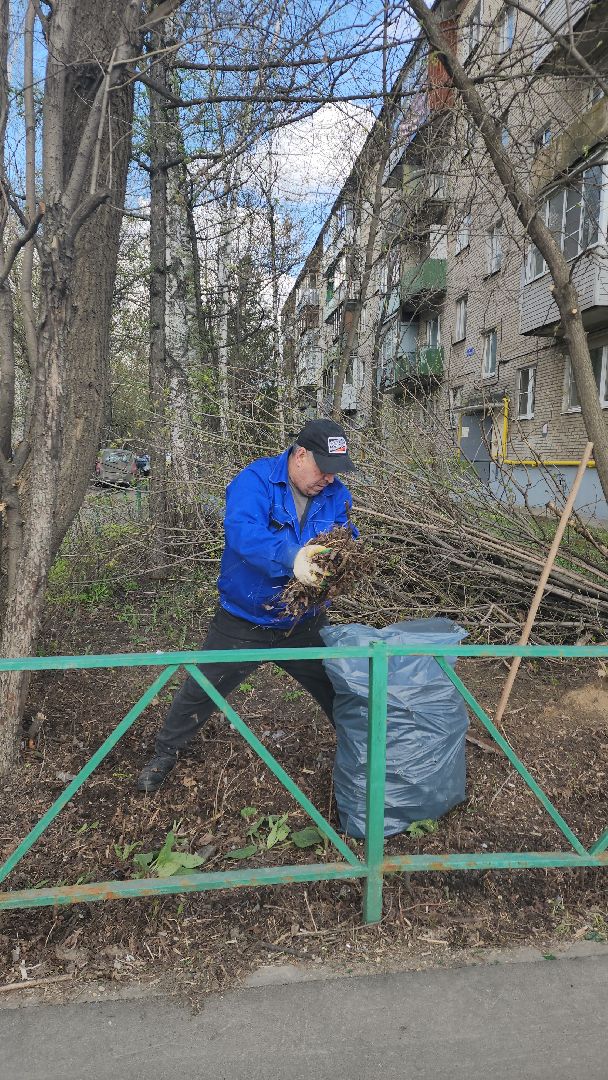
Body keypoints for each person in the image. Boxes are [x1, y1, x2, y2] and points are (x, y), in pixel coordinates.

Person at [137, 418, 358, 793]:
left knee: (340, 688)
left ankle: (365, 753)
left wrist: (342, 558)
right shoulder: (254, 482)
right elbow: (243, 535)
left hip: (302, 621)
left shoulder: (336, 494)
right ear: (300, 455)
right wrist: (295, 558)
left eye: (337, 472)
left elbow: (344, 533)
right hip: (245, 618)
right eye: (324, 469)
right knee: (203, 688)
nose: (330, 480)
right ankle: (165, 752)